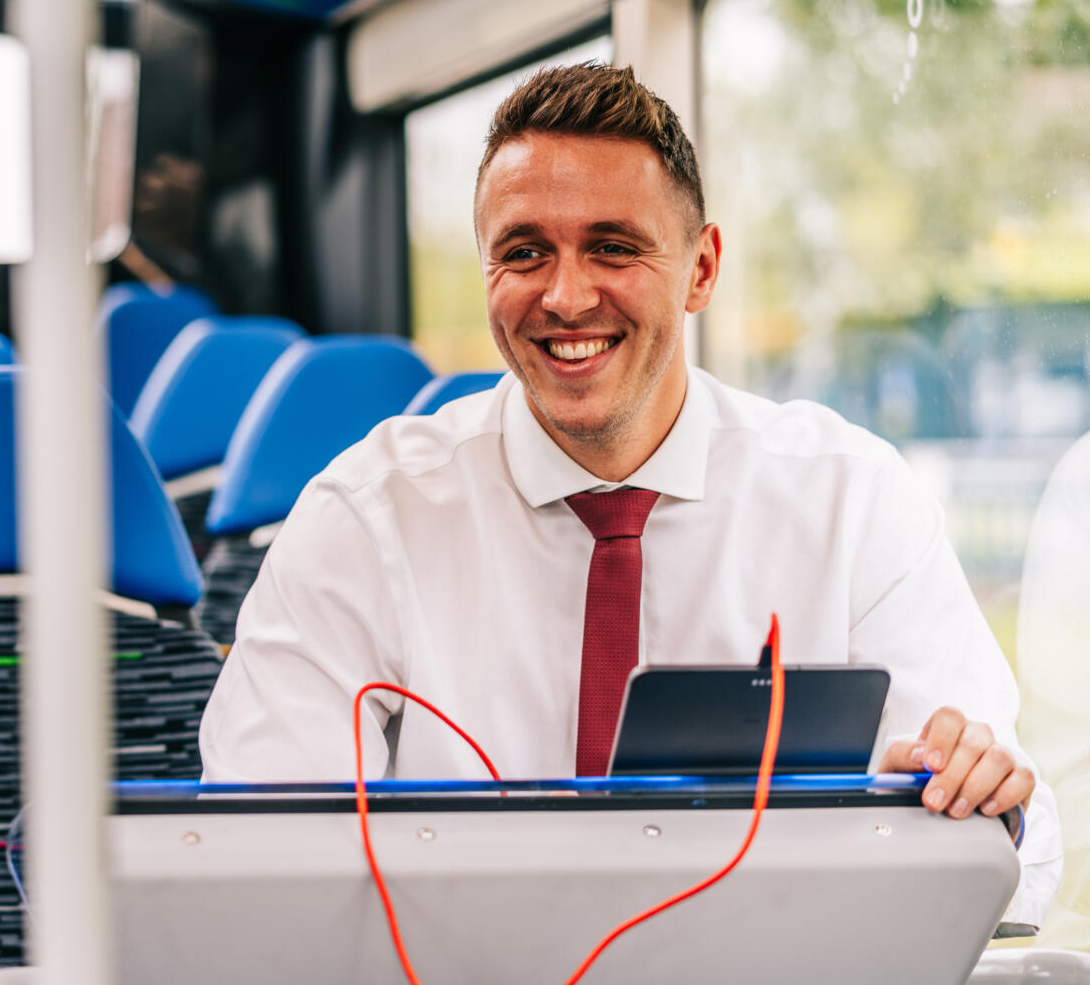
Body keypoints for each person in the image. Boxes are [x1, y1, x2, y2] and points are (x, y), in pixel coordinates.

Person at [197, 62, 1060, 926]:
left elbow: (1017, 858)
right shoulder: (365, 517)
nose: (566, 297)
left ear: (701, 269)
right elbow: (254, 864)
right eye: (524, 252)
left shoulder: (852, 501)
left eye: (613, 246)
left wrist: (983, 803)